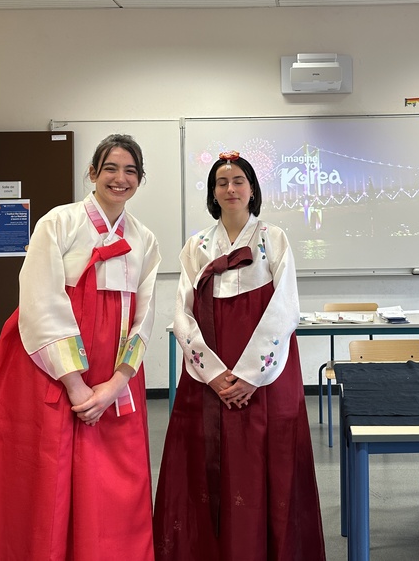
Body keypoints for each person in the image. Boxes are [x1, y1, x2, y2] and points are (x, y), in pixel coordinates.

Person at [0, 134, 161, 561]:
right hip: (49, 367)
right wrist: (75, 384)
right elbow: (40, 302)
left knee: (114, 476)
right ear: (92, 173)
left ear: (140, 179)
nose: (120, 178)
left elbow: (144, 317)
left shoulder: (144, 238)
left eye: (130, 171)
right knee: (46, 471)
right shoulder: (59, 223)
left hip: (112, 375)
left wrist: (115, 385)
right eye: (110, 168)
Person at [153, 152, 326, 561]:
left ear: (252, 189)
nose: (230, 189)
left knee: (265, 461)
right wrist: (214, 375)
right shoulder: (196, 246)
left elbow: (285, 309)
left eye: (238, 181)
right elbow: (182, 314)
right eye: (221, 182)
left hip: (266, 376)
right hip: (207, 377)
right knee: (205, 463)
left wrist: (249, 375)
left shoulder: (273, 239)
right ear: (213, 193)